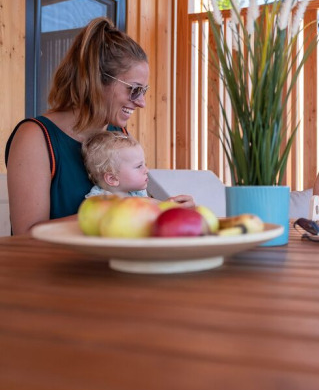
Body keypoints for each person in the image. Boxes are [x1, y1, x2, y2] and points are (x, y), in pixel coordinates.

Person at [4, 17, 190, 235]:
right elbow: (26, 234)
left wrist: (168, 209)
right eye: (134, 89)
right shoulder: (35, 137)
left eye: (144, 91)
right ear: (95, 80)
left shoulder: (116, 133)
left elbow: (135, 205)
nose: (141, 102)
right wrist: (116, 209)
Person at [82, 131, 151, 198]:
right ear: (112, 179)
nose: (147, 170)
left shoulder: (138, 193)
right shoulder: (98, 201)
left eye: (144, 164)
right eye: (139, 166)